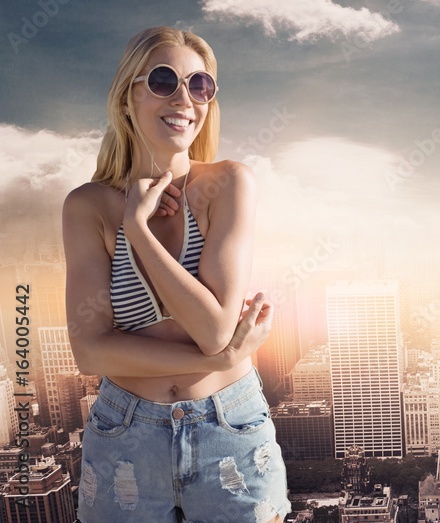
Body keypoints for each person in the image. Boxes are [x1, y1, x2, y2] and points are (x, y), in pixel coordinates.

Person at [62, 26, 290, 523]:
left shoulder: (228, 183)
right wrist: (226, 355)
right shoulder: (87, 206)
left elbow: (211, 330)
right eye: (165, 81)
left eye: (200, 84)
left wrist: (137, 231)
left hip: (228, 432)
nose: (185, 98)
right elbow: (89, 350)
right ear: (128, 97)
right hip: (125, 437)